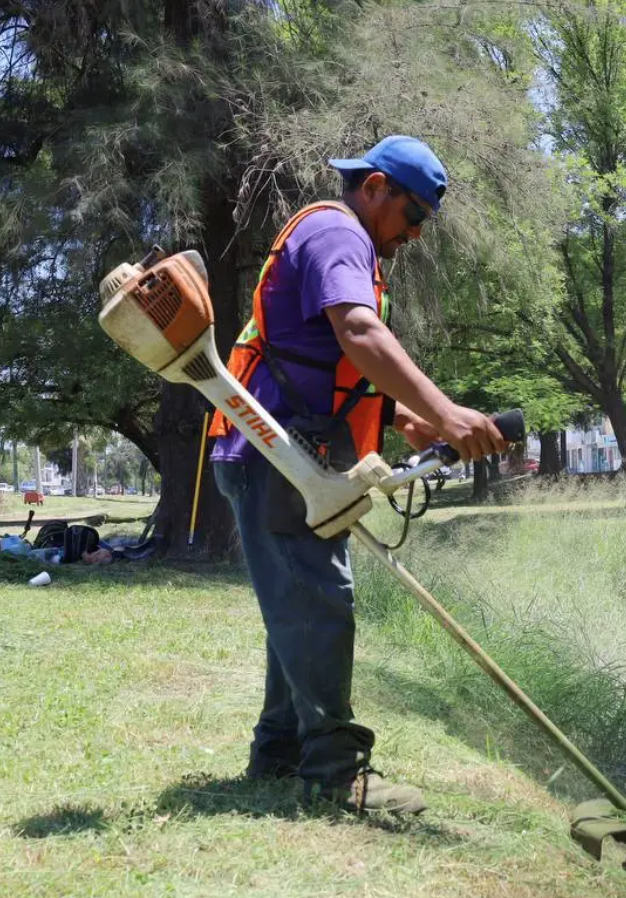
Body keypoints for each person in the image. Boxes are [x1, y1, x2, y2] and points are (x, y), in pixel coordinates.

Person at [208, 135, 507, 814]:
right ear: (376, 187)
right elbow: (359, 334)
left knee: (296, 603)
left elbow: (315, 352)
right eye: (414, 217)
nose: (415, 235)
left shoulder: (334, 237)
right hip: (278, 454)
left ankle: (280, 752)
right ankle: (335, 773)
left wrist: (403, 414)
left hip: (278, 450)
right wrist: (447, 409)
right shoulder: (339, 234)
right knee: (319, 601)